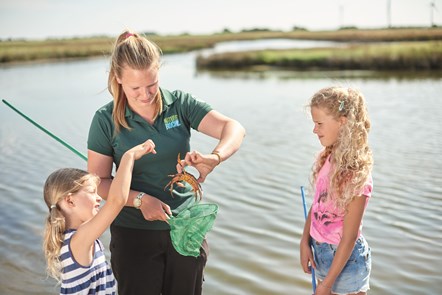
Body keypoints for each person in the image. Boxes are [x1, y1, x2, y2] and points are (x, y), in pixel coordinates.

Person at [87, 30, 245, 295]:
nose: (146, 94)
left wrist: (215, 157)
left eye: (152, 84)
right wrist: (138, 200)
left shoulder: (180, 104)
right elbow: (98, 182)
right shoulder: (104, 120)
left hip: (185, 228)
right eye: (135, 88)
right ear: (118, 79)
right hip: (132, 232)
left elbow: (234, 128)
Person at [42, 139, 156, 294]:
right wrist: (129, 157)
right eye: (91, 192)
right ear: (70, 200)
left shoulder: (75, 239)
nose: (99, 198)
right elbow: (116, 201)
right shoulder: (78, 240)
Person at [300, 86, 373, 295]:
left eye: (319, 123)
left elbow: (349, 237)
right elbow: (317, 205)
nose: (315, 130)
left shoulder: (356, 175)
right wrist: (304, 241)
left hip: (347, 264)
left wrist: (326, 285)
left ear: (342, 122)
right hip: (322, 254)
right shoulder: (329, 158)